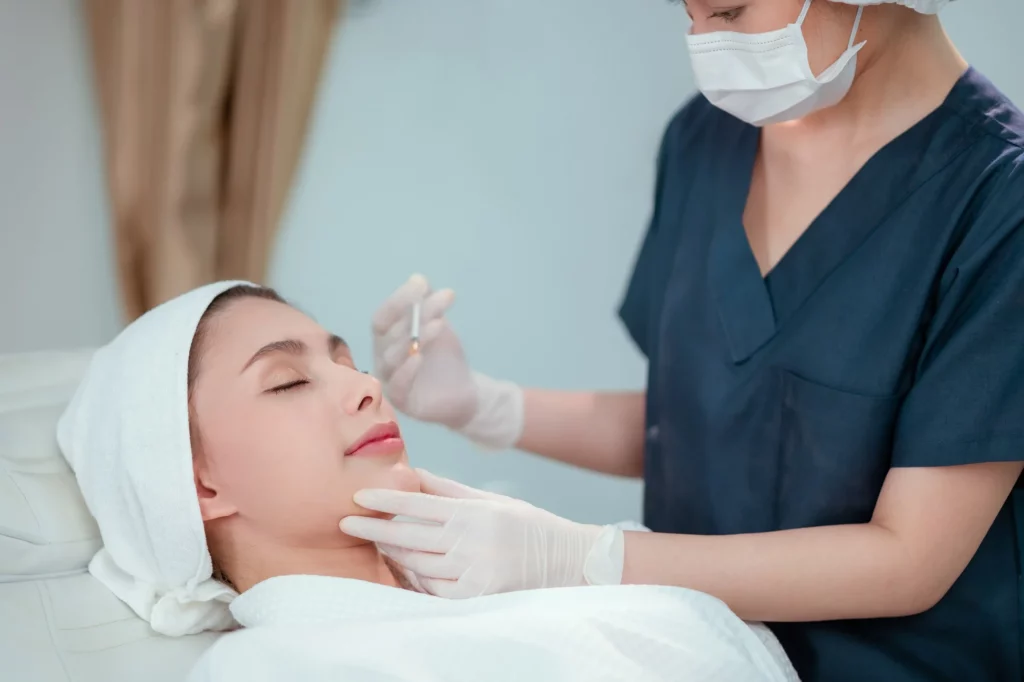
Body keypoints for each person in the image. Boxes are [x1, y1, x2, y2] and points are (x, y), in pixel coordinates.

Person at [344, 1, 1024, 681]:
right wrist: (485, 406)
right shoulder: (706, 139)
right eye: (689, 12)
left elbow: (911, 561)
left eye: (729, 11)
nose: (704, 43)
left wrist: (584, 558)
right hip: (700, 654)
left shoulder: (999, 203)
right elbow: (703, 423)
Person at [56, 282, 799, 682]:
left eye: (346, 361)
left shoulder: (531, 580)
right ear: (200, 486)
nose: (366, 387)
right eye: (287, 383)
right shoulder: (272, 669)